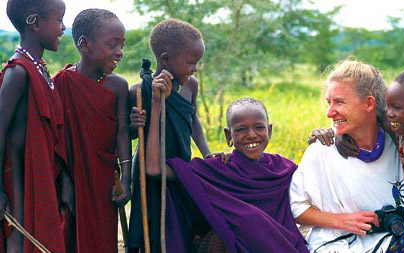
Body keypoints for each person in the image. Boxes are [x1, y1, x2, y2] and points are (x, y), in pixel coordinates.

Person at [290, 60, 404, 252]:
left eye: (339, 102)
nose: (329, 112)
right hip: (336, 245)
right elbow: (296, 208)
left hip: (386, 238)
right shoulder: (322, 148)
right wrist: (343, 221)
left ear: (369, 103)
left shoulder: (398, 142)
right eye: (328, 102)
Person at [145, 87, 308, 252]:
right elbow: (155, 169)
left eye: (259, 127)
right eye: (241, 129)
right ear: (228, 135)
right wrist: (156, 104)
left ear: (270, 130)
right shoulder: (218, 168)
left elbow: (318, 180)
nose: (251, 135)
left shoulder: (283, 169)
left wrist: (321, 140)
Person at [127, 18, 211, 252]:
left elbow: (192, 119)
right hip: (149, 169)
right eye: (191, 62)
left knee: (180, 224)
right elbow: (129, 133)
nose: (195, 69)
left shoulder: (190, 86)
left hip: (180, 165)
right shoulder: (140, 91)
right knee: (153, 225)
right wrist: (133, 125)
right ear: (165, 59)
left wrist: (206, 153)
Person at [52, 8, 131, 253]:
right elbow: (54, 139)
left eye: (122, 45)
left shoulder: (118, 86)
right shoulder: (61, 83)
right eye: (113, 44)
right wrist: (63, 181)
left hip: (104, 180)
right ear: (84, 44)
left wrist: (126, 177)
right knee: (69, 238)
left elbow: (121, 133)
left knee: (102, 240)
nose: (119, 52)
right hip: (70, 179)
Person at [0, 0, 71, 252]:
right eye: (59, 20)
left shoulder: (39, 69)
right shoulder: (17, 73)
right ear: (35, 23)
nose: (63, 28)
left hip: (40, 177)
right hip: (19, 180)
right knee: (20, 244)